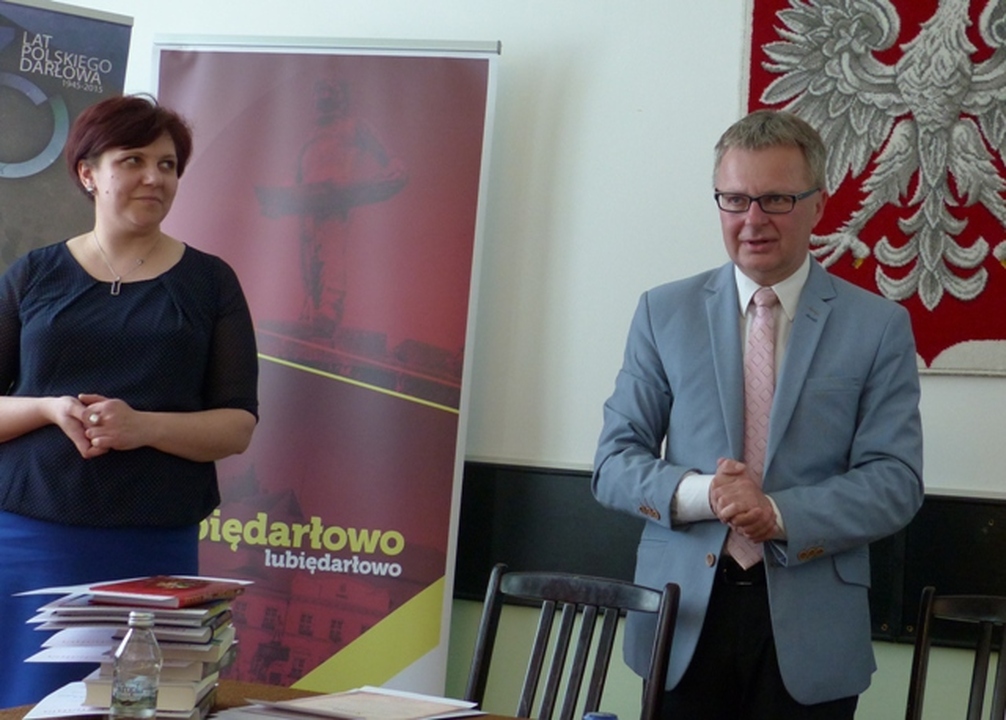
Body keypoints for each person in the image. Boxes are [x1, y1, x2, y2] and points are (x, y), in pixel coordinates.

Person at [592, 109, 923, 719]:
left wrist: (776, 513)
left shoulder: (878, 327)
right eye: (735, 199)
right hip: (682, 620)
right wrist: (705, 495)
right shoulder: (663, 313)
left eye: (776, 199)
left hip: (813, 630)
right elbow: (613, 463)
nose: (753, 220)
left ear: (818, 204)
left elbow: (894, 483)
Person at [0, 94, 259, 705]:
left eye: (167, 165)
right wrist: (47, 408)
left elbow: (236, 426)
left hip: (152, 544)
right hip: (28, 538)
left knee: (141, 703)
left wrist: (142, 427)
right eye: (133, 160)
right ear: (88, 173)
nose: (154, 177)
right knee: (21, 700)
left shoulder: (211, 282)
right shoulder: (33, 274)